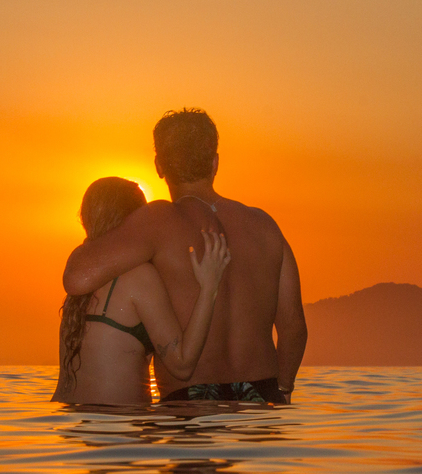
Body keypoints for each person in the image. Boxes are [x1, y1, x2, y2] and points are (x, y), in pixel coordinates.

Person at [63, 108, 307, 404]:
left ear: (159, 166)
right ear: (215, 163)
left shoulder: (158, 220)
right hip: (262, 398)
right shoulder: (265, 226)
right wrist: (283, 389)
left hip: (192, 402)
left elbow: (76, 279)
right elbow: (294, 328)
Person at [52, 177, 231, 405]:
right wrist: (209, 286)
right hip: (119, 423)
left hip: (68, 420)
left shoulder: (82, 281)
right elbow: (182, 366)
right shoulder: (139, 277)